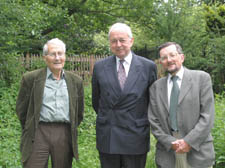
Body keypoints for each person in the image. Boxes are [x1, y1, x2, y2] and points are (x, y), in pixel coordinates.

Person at [92, 22, 157, 168]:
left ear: (131, 41)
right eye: (114, 41)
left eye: (122, 40)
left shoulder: (148, 67)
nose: (118, 44)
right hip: (109, 133)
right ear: (110, 43)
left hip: (135, 133)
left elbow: (152, 101)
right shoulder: (100, 67)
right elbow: (97, 101)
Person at [16, 38, 84, 168]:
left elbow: (78, 112)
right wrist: (30, 126)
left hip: (64, 132)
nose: (57, 58)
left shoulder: (76, 81)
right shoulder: (31, 79)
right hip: (38, 131)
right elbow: (22, 110)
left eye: (60, 53)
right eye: (53, 54)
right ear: (45, 57)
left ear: (65, 56)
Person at [148, 42, 215, 168]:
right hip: (168, 153)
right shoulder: (155, 88)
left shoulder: (201, 79)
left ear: (182, 57)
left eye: (172, 55)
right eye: (164, 57)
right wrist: (170, 142)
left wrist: (188, 142)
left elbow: (207, 116)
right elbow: (153, 120)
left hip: (197, 151)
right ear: (161, 62)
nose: (169, 60)